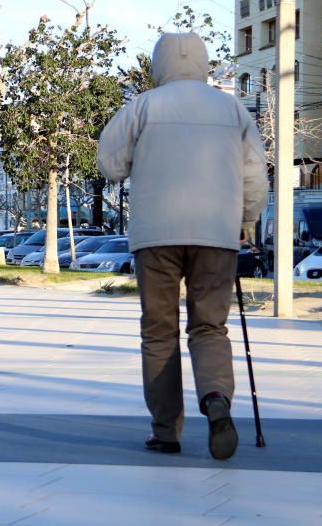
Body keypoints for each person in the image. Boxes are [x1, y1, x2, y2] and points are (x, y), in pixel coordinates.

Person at [97, 31, 268, 460]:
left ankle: (165, 431)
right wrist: (245, 219)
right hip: (216, 234)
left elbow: (110, 164)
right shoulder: (231, 108)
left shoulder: (144, 106)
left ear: (160, 64)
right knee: (210, 327)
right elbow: (254, 173)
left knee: (159, 332)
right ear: (205, 63)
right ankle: (216, 399)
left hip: (156, 235)